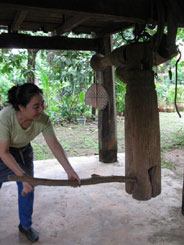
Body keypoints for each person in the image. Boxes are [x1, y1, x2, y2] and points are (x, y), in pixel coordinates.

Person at [0, 83, 80, 243]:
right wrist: (22, 176)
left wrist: (69, 170)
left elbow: (55, 145)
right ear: (21, 107)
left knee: (28, 187)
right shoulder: (5, 117)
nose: (41, 109)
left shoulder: (43, 120)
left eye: (42, 105)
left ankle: (25, 226)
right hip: (2, 151)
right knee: (24, 181)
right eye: (36, 106)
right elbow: (4, 152)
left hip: (23, 150)